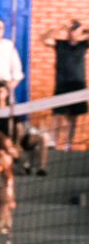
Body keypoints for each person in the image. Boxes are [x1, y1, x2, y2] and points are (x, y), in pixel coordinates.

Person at [44, 19, 88, 149]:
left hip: (78, 85)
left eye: (75, 30)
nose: (72, 32)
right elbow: (44, 39)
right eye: (71, 30)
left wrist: (84, 30)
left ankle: (68, 144)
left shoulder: (83, 45)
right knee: (58, 115)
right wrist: (59, 27)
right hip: (62, 85)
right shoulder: (60, 44)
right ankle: (53, 143)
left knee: (73, 118)